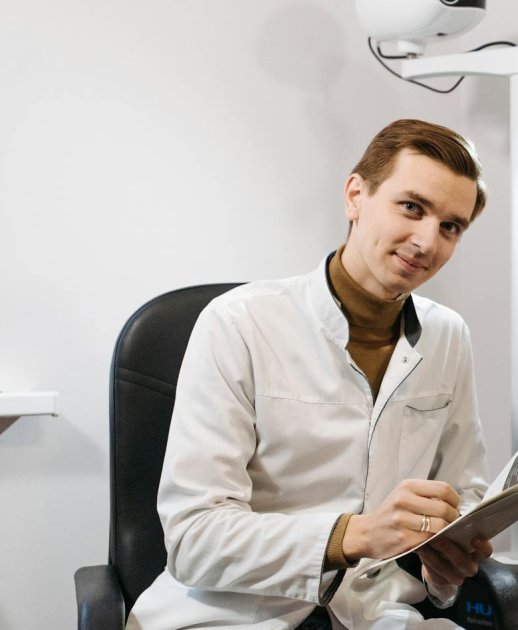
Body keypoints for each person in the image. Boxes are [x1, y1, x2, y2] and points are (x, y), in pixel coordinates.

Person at [127, 119, 495, 629]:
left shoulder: (448, 337)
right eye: (412, 207)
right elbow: (194, 540)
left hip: (376, 615)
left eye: (451, 227)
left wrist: (445, 560)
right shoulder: (239, 323)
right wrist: (355, 535)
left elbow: (463, 493)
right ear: (356, 196)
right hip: (232, 614)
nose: (427, 241)